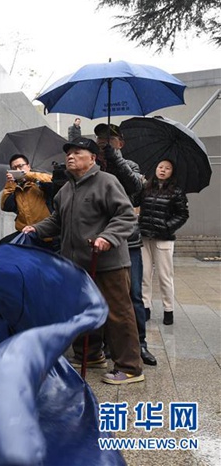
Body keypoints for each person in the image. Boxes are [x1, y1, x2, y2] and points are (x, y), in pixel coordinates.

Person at [23, 137, 144, 385]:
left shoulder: (107, 182)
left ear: (92, 158)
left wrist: (107, 237)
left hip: (108, 262)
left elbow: (125, 216)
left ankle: (130, 367)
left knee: (118, 314)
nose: (70, 156)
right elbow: (56, 221)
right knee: (83, 311)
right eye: (68, 152)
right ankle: (90, 355)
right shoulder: (65, 190)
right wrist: (35, 229)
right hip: (77, 265)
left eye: (78, 152)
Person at [94, 123, 156, 366]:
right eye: (100, 138)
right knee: (104, 294)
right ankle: (109, 343)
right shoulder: (93, 168)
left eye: (110, 138)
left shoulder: (131, 166)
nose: (104, 141)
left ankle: (140, 343)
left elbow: (135, 188)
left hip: (128, 241)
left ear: (120, 143)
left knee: (134, 295)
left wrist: (114, 158)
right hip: (101, 240)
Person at [138, 159, 190, 325]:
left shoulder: (176, 192)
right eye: (160, 167)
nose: (163, 170)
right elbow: (134, 201)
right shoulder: (146, 188)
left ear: (171, 172)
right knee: (145, 275)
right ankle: (145, 307)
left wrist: (167, 227)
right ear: (156, 169)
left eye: (167, 168)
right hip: (145, 237)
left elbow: (183, 215)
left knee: (164, 276)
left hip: (164, 239)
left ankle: (169, 310)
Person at [0, 154, 55, 249]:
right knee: (4, 244)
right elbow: (5, 206)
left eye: (20, 166)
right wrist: (10, 183)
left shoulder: (38, 181)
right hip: (25, 233)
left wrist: (28, 175)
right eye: (14, 168)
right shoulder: (15, 188)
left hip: (46, 234)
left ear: (28, 166)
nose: (17, 170)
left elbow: (52, 181)